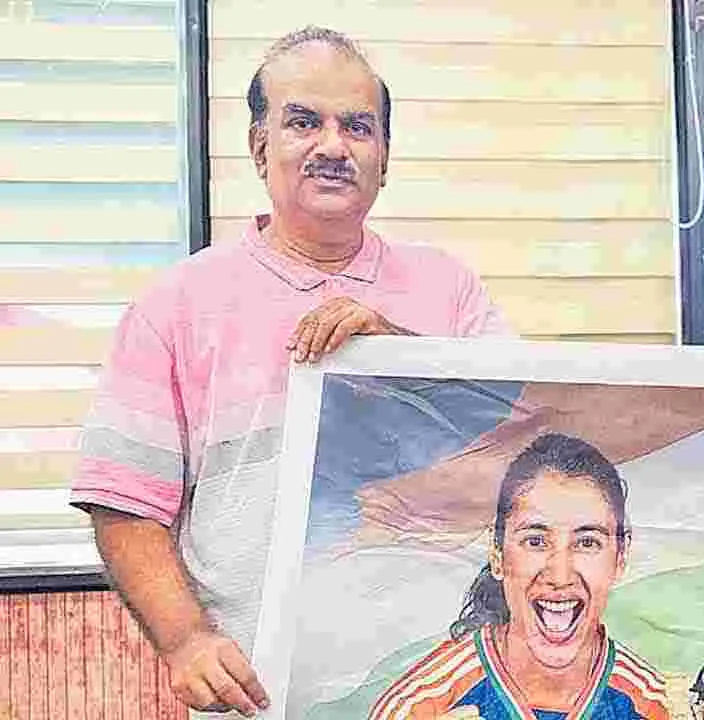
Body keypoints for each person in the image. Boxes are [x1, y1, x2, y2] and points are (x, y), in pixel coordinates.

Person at [68, 27, 508, 718]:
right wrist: (187, 640)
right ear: (259, 146)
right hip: (260, 694)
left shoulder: (450, 290)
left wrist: (403, 357)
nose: (333, 146)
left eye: (357, 127)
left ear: (385, 158)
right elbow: (125, 505)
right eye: (304, 122)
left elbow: (518, 446)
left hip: (438, 687)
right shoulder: (175, 305)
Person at [368, 433, 671, 720]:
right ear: (497, 553)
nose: (560, 575)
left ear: (620, 557)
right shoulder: (419, 705)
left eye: (587, 542)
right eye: (536, 541)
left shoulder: (657, 706)